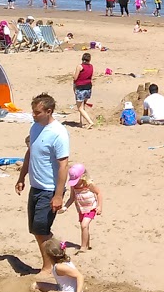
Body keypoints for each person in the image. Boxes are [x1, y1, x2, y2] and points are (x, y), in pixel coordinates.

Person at [17, 94, 71, 279]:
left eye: (37, 112)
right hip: (36, 186)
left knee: (41, 230)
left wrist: (58, 195)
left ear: (49, 111)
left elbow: (64, 165)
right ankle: (57, 257)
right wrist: (21, 177)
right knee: (36, 229)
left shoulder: (59, 133)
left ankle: (48, 268)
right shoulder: (35, 127)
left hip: (49, 189)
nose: (33, 115)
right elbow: (30, 153)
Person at [67, 164, 103, 252]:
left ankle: (83, 247)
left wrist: (99, 206)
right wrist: (65, 207)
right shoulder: (74, 186)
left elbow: (99, 193)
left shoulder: (88, 184)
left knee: (84, 225)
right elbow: (72, 198)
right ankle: (87, 244)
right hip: (81, 209)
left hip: (91, 207)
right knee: (84, 227)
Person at [72, 52, 95, 128]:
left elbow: (75, 78)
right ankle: (81, 122)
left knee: (80, 108)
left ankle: (90, 122)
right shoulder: (91, 66)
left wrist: (73, 74)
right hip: (88, 87)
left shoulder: (80, 66)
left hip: (81, 88)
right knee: (83, 106)